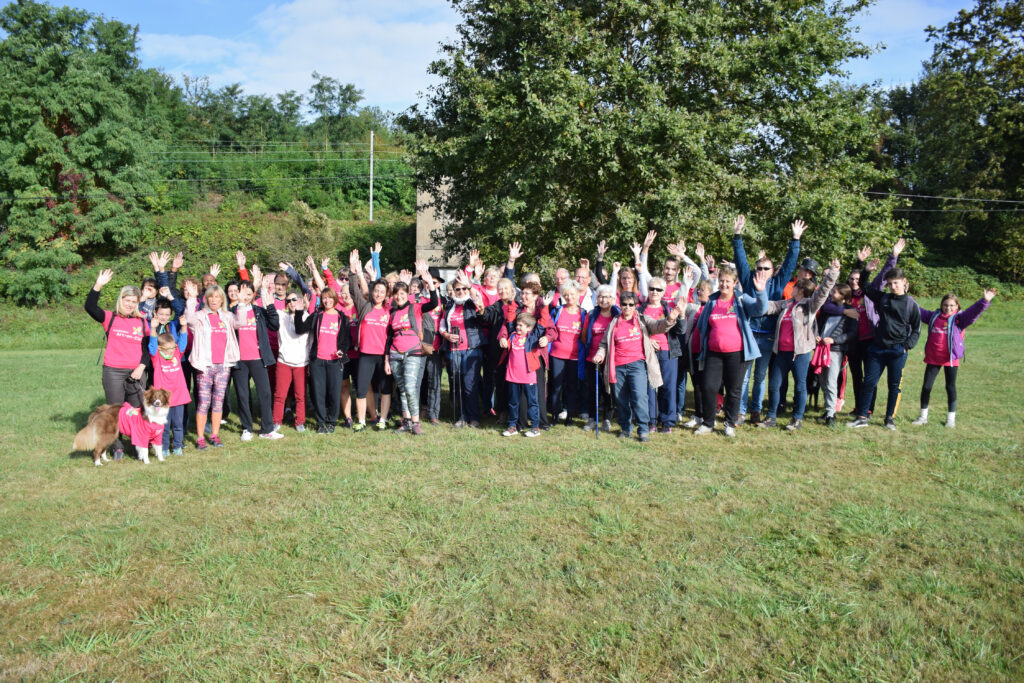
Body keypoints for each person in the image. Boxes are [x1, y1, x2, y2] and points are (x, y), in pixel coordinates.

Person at [731, 215, 805, 425]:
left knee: (760, 376)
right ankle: (741, 411)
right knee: (744, 377)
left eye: (766, 269)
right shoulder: (747, 280)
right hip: (749, 335)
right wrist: (737, 236)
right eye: (759, 268)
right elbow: (740, 260)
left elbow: (790, 262)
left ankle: (756, 410)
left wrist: (795, 240)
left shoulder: (777, 283)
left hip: (768, 337)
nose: (761, 272)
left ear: (773, 272)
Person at [592, 290, 685, 441]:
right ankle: (625, 428)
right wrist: (600, 355)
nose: (627, 307)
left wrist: (670, 318)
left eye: (631, 304)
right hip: (618, 367)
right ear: (620, 305)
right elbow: (604, 344)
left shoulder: (642, 319)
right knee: (621, 399)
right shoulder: (614, 322)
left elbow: (658, 326)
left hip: (637, 365)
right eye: (624, 304)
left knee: (640, 397)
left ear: (636, 305)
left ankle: (643, 429)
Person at [759, 260, 839, 430]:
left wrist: (832, 273)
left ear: (800, 290)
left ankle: (797, 419)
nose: (791, 288)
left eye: (795, 286)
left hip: (799, 354)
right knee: (774, 385)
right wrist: (754, 297)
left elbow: (823, 292)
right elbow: (770, 306)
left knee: (800, 386)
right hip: (781, 353)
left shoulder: (809, 305)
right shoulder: (787, 304)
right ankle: (771, 417)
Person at [692, 265, 771, 437]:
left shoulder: (742, 299)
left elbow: (761, 309)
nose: (724, 284)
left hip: (737, 353)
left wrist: (761, 292)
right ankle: (708, 423)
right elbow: (701, 324)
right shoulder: (712, 300)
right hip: (714, 353)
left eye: (728, 281)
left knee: (734, 390)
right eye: (721, 281)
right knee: (709, 387)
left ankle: (729, 424)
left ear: (735, 283)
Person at [849, 242, 920, 430]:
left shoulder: (912, 304)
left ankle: (889, 418)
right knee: (869, 382)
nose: (893, 286)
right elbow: (864, 287)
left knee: (894, 386)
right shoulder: (883, 298)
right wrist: (866, 270)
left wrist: (907, 346)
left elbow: (916, 328)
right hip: (877, 349)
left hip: (898, 351)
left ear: (904, 283)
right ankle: (862, 417)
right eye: (890, 284)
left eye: (896, 283)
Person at [85, 269, 151, 459]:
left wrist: (140, 367)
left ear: (138, 303)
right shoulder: (109, 318)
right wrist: (98, 285)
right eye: (127, 300)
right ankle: (117, 446)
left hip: (136, 372)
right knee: (115, 409)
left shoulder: (142, 322)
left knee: (138, 411)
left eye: (133, 302)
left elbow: (148, 350)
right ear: (121, 300)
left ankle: (138, 446)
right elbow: (90, 306)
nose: (130, 304)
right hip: (113, 371)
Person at [912, 288, 997, 428]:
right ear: (941, 305)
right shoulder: (933, 316)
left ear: (957, 306)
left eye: (952, 305)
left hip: (950, 359)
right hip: (933, 358)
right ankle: (922, 417)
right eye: (945, 305)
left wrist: (985, 300)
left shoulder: (960, 319)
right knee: (927, 387)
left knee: (950, 387)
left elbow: (974, 312)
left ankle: (951, 419)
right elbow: (917, 310)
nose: (948, 308)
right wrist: (906, 296)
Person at [385, 261, 439, 436]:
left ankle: (415, 422)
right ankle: (406, 421)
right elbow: (388, 337)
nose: (399, 297)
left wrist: (429, 281)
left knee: (410, 387)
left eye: (402, 293)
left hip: (413, 352)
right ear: (393, 296)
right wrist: (387, 358)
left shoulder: (415, 307)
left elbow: (433, 302)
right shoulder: (392, 313)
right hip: (395, 354)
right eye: (396, 294)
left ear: (407, 294)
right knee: (402, 388)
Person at [183, 282, 239, 449]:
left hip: (223, 365)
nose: (214, 300)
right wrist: (192, 298)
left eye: (217, 297)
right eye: (211, 297)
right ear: (206, 299)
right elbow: (189, 319)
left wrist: (242, 303)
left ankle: (214, 435)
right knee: (203, 402)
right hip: (205, 366)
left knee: (218, 401)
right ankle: (200, 437)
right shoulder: (200, 315)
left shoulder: (227, 316)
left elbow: (241, 323)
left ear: (222, 299)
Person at [230, 270, 283, 441]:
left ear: (253, 295)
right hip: (239, 360)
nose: (245, 296)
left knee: (265, 393)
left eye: (248, 293)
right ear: (236, 294)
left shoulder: (259, 311)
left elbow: (275, 325)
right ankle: (247, 428)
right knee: (243, 395)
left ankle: (267, 429)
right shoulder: (230, 312)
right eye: (242, 292)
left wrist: (270, 306)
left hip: (258, 359)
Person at [294, 285, 351, 433]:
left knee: (334, 392)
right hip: (317, 361)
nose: (327, 300)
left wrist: (341, 351)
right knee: (318, 392)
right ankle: (320, 423)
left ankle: (332, 422)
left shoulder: (342, 318)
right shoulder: (317, 315)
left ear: (335, 298)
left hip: (334, 361)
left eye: (330, 297)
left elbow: (347, 340)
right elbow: (300, 329)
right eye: (324, 298)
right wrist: (299, 312)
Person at [348, 250, 393, 431]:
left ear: (385, 294)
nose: (379, 294)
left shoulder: (390, 310)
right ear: (372, 291)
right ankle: (361, 421)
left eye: (382, 291)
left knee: (385, 389)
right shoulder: (364, 306)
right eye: (376, 290)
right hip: (365, 355)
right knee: (361, 389)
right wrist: (354, 272)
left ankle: (382, 419)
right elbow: (353, 290)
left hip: (383, 356)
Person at [638, 276, 686, 432]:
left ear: (664, 291)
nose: (655, 292)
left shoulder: (669, 309)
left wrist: (682, 315)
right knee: (649, 386)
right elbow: (635, 332)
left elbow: (680, 330)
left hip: (668, 351)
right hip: (647, 353)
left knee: (668, 387)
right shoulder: (639, 310)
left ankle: (667, 421)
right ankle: (651, 420)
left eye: (659, 289)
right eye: (652, 288)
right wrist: (647, 340)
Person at [440, 272, 486, 427]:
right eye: (457, 289)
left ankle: (474, 417)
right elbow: (441, 325)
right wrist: (446, 335)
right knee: (458, 385)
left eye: (463, 289)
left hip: (471, 350)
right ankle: (462, 416)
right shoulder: (449, 305)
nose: (461, 292)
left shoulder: (471, 303)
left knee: (469, 385)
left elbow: (480, 302)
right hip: (454, 350)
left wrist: (470, 285)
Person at [816, 283, 858, 427]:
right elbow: (819, 324)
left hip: (835, 350)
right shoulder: (829, 309)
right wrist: (817, 335)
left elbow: (852, 334)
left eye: (835, 292)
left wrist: (834, 340)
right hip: (821, 349)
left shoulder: (850, 311)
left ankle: (831, 415)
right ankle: (829, 409)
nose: (831, 294)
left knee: (831, 381)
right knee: (822, 380)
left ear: (843, 295)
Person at [578, 285, 618, 431]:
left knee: (608, 390)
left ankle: (607, 418)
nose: (604, 299)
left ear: (613, 299)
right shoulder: (592, 314)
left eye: (607, 297)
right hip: (592, 358)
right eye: (601, 296)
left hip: (610, 359)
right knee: (593, 389)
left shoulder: (617, 315)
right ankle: (592, 419)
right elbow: (584, 335)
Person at [273, 288, 313, 433]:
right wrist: (265, 289)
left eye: (294, 300)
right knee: (280, 394)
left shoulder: (307, 317)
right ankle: (276, 421)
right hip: (284, 361)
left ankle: (300, 421)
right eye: (288, 301)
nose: (291, 303)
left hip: (301, 362)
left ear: (301, 301)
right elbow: (268, 306)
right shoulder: (281, 316)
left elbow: (310, 341)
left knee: (300, 395)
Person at [499, 313, 545, 437]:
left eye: (521, 325)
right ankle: (512, 426)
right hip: (513, 376)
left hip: (528, 376)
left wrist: (545, 307)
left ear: (529, 328)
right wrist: (503, 340)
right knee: (513, 402)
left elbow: (541, 326)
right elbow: (509, 319)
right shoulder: (513, 336)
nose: (517, 327)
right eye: (517, 325)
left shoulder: (532, 338)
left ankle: (535, 427)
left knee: (532, 402)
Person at [547, 281, 584, 425]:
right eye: (566, 295)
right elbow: (550, 329)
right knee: (556, 386)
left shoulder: (583, 314)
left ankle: (569, 416)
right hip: (557, 355)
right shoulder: (558, 311)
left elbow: (584, 336)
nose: (569, 297)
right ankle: (554, 415)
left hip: (574, 357)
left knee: (571, 388)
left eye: (572, 294)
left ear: (578, 295)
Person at [148, 330, 190, 456]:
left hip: (179, 397)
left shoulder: (177, 354)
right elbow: (152, 345)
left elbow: (183, 342)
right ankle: (164, 448)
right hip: (163, 399)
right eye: (167, 349)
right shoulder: (156, 357)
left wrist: (183, 327)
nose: (171, 351)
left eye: (173, 348)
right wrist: (154, 330)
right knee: (164, 426)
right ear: (160, 348)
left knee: (178, 424)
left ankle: (178, 446)